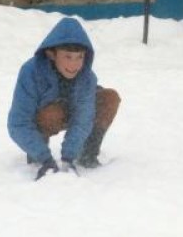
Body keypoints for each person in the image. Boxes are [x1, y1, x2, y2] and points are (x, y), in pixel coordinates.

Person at [7, 17, 121, 178]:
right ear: (51, 54)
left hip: (74, 111)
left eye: (79, 57)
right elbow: (18, 124)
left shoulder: (87, 77)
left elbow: (83, 119)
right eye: (68, 57)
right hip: (47, 117)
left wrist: (68, 157)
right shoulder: (30, 72)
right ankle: (38, 157)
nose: (74, 65)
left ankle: (87, 155)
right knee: (51, 114)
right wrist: (45, 158)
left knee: (109, 98)